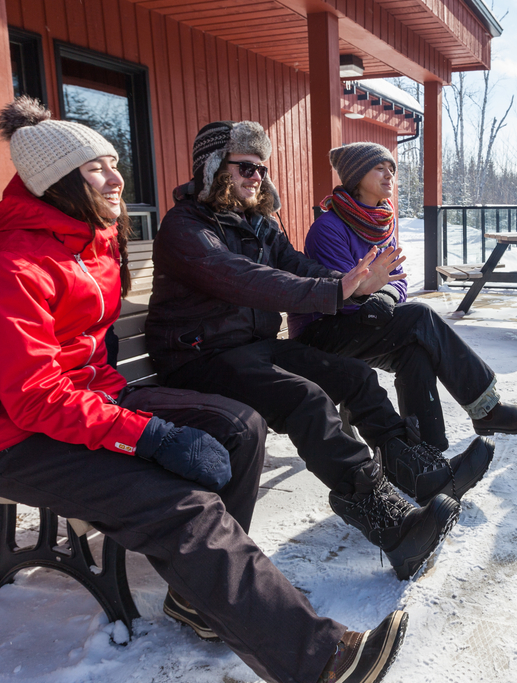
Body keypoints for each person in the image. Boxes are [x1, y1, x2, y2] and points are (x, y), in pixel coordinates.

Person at [0, 97, 404, 683]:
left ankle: (198, 595)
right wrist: (150, 435)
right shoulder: (8, 265)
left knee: (239, 425)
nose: (116, 177)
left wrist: (350, 283)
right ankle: (319, 660)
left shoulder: (88, 243)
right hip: (6, 437)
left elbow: (78, 366)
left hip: (86, 398)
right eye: (96, 168)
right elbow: (33, 397)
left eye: (113, 162)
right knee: (185, 507)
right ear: (56, 182)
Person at [145, 121, 492, 577]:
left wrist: (354, 285)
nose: (257, 177)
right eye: (246, 167)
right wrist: (335, 292)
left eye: (261, 169)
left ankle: (418, 472)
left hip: (251, 348)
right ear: (212, 167)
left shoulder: (259, 225)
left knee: (355, 377)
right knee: (306, 400)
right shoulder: (187, 227)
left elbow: (297, 266)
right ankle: (392, 526)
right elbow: (241, 278)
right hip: (197, 357)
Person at [291, 142, 517, 452]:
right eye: (379, 168)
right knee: (420, 316)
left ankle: (426, 452)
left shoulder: (382, 222)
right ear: (357, 176)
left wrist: (384, 293)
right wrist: (374, 294)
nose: (389, 175)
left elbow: (396, 279)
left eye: (392, 169)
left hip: (361, 325)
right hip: (322, 331)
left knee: (417, 352)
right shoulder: (327, 228)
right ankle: (486, 408)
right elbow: (341, 294)